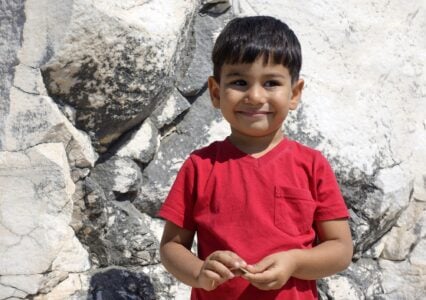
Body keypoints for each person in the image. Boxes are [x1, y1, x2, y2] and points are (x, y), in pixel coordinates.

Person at [158, 15, 353, 300]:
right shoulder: (200, 167)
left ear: (294, 93)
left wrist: (294, 261)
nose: (255, 96)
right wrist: (200, 272)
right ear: (215, 92)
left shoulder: (312, 165)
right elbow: (171, 248)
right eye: (239, 81)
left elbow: (340, 248)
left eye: (271, 83)